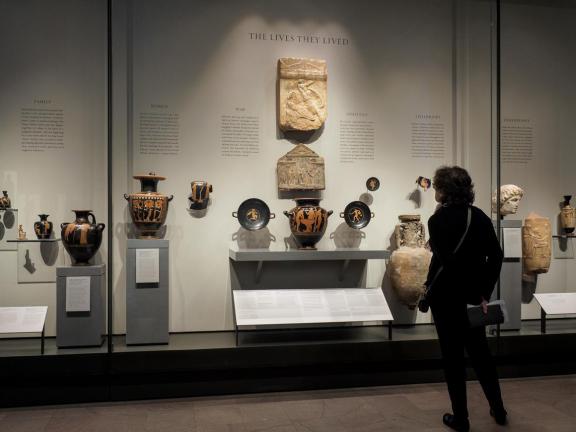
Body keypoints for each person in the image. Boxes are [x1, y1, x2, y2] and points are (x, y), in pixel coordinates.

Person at [424, 166, 507, 432]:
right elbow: (495, 257)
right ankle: (499, 408)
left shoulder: (437, 221)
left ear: (444, 190)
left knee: (453, 359)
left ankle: (461, 418)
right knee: (481, 355)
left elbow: (444, 261)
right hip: (473, 299)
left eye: (437, 186)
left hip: (446, 298)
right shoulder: (480, 217)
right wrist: (483, 291)